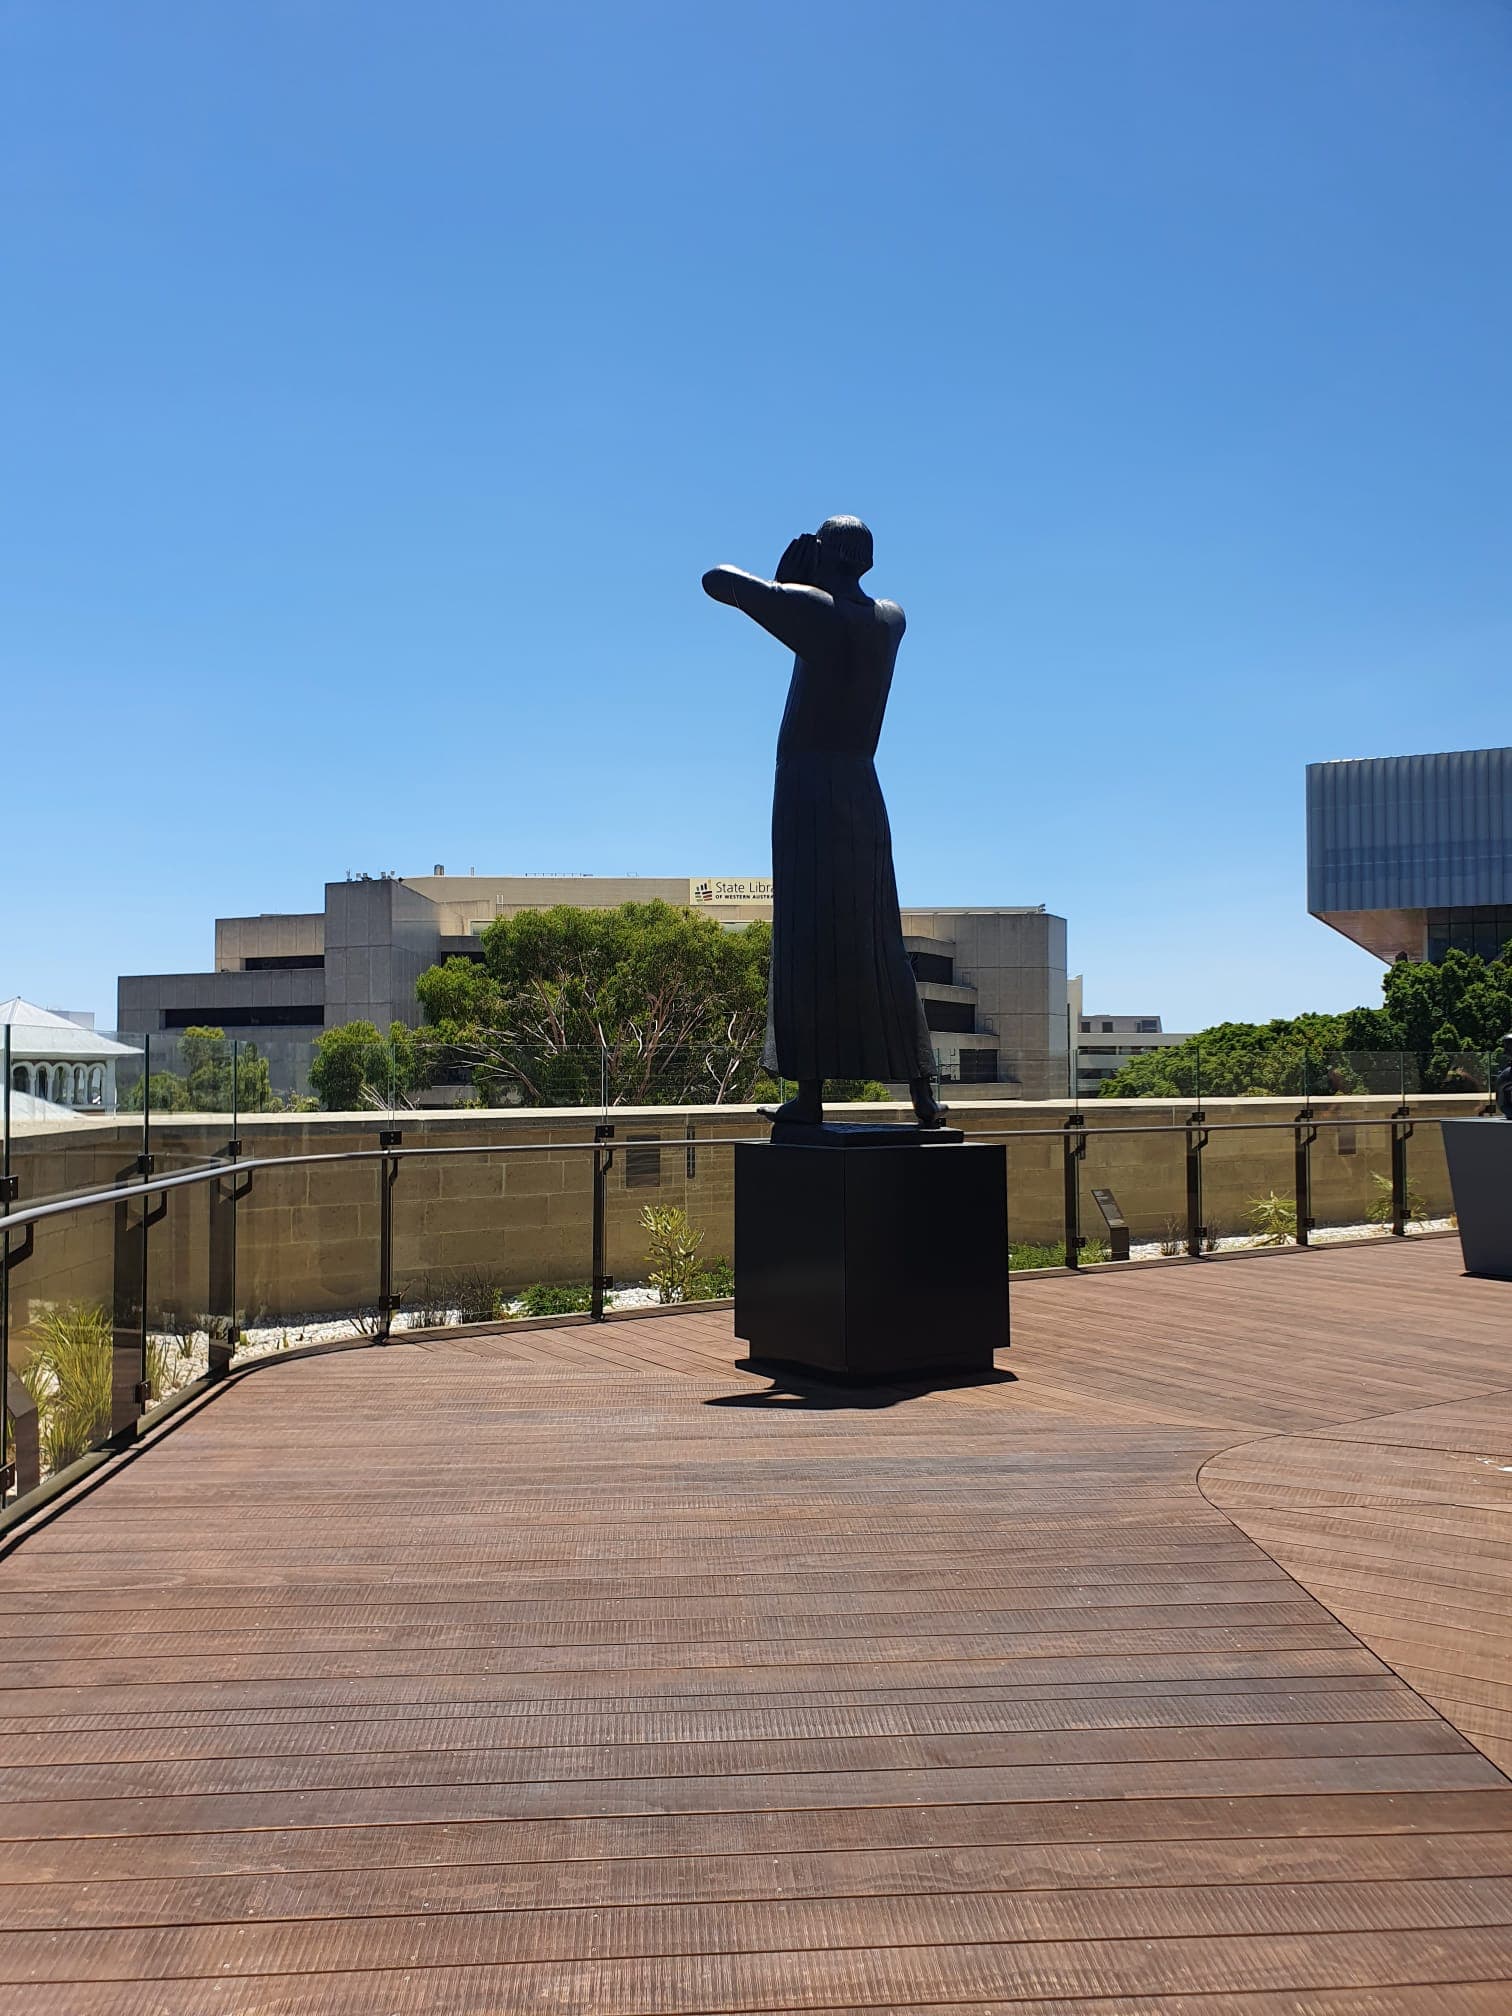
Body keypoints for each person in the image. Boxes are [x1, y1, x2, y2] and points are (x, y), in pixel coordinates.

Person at [702, 516, 944, 1128]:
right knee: (878, 939)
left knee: (807, 937)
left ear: (826, 556)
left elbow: (718, 580)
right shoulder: (890, 618)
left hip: (809, 786)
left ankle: (809, 1095)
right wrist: (813, 574)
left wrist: (794, 573)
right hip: (863, 784)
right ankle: (924, 1098)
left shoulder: (816, 610)